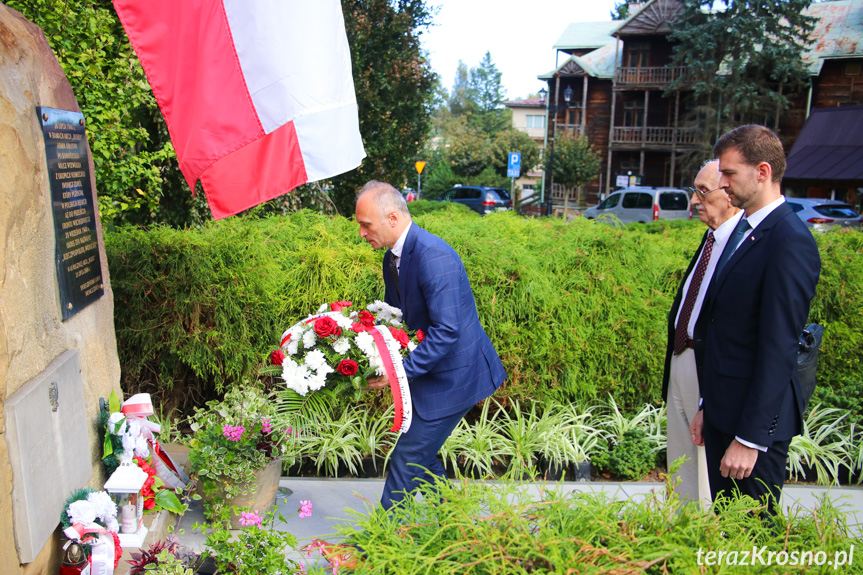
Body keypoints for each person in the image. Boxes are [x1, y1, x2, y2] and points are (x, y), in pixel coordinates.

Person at [690, 125, 821, 515]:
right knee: (727, 533)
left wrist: (750, 438)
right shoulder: (744, 230)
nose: (722, 183)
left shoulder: (788, 240)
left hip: (752, 430)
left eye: (729, 174)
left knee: (750, 539)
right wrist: (706, 406)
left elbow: (778, 347)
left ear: (762, 172)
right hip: (723, 412)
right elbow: (723, 328)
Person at [355, 180, 507, 510]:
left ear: (392, 217)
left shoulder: (433, 256)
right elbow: (399, 321)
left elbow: (447, 331)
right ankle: (458, 529)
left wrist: (396, 373)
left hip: (457, 376)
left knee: (408, 457)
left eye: (366, 224)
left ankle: (374, 550)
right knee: (421, 456)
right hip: (435, 372)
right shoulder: (391, 259)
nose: (362, 233)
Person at [661, 160, 741, 508]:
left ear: (730, 195)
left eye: (703, 191)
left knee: (706, 474)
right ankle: (681, 536)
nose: (694, 201)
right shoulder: (711, 239)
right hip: (682, 358)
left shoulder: (742, 243)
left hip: (708, 369)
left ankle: (705, 548)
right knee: (680, 467)